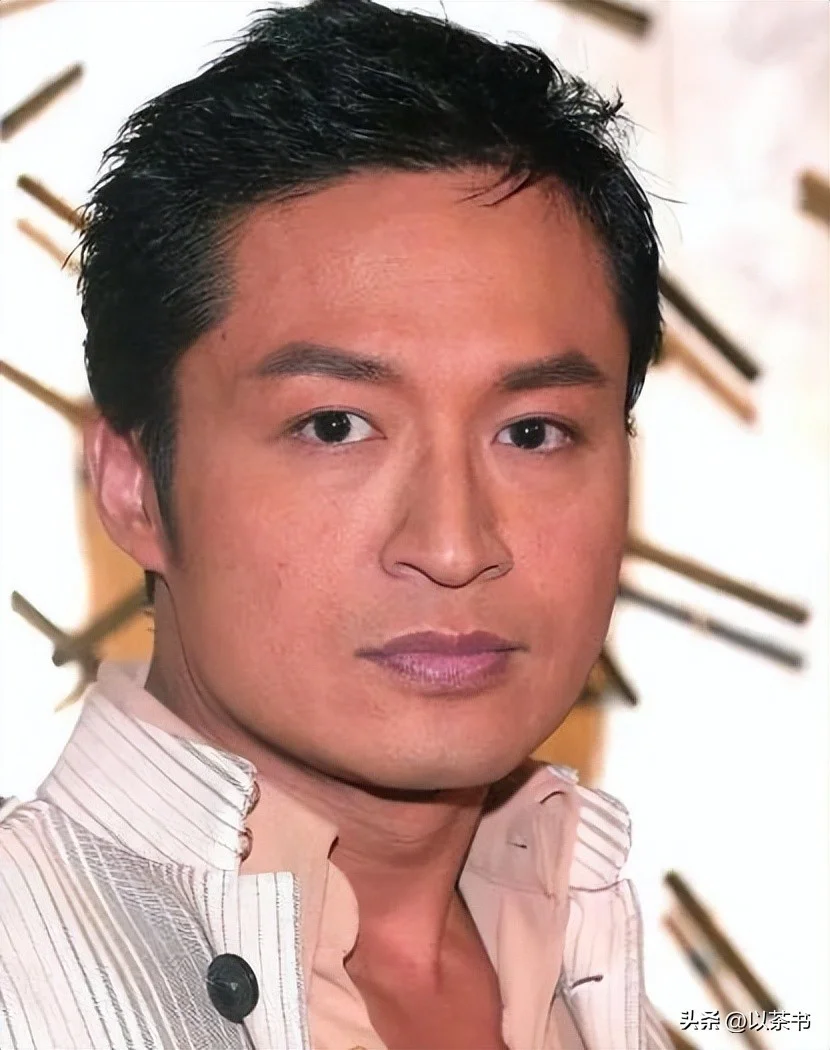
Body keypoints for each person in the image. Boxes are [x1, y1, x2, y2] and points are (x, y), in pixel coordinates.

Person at [0, 1, 671, 1047]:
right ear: (134, 486)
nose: (452, 547)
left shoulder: (600, 984)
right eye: (334, 425)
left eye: (532, 432)